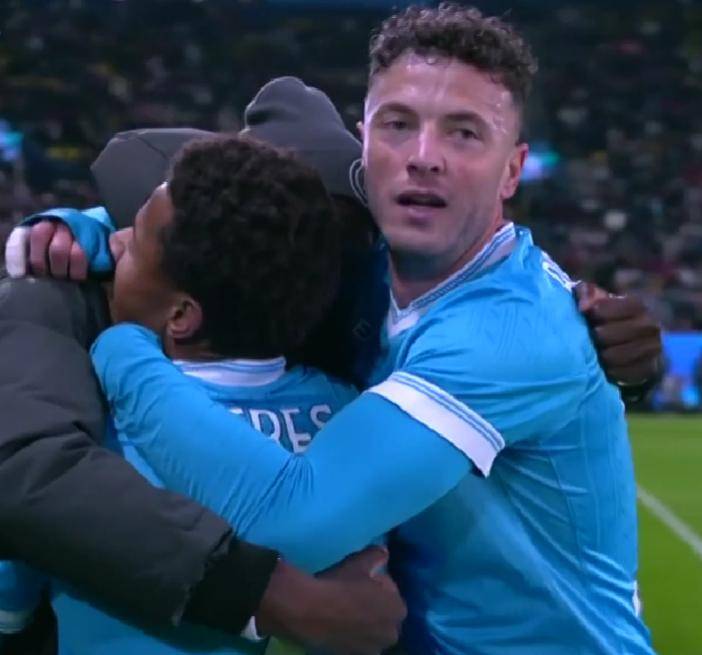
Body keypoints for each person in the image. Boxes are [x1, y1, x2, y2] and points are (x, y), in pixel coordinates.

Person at [7, 46, 660, 655]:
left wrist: (121, 345)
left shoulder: (503, 329)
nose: (424, 155)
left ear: (512, 168)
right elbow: (211, 215)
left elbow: (291, 519)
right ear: (364, 142)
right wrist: (80, 229)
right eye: (399, 124)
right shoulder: (356, 267)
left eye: (463, 132)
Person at [0, 119, 406, 655]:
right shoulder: (353, 410)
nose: (114, 245)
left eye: (132, 240)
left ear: (182, 316)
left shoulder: (103, 422)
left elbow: (17, 575)